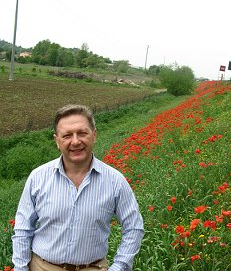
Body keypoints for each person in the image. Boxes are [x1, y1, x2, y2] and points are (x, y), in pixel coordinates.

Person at [12, 104, 144, 271]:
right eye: (67, 135)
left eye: (82, 133)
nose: (75, 141)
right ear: (57, 141)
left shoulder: (115, 181)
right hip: (42, 267)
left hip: (92, 267)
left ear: (94, 135)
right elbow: (23, 229)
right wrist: (21, 268)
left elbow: (134, 227)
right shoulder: (38, 178)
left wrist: (119, 267)